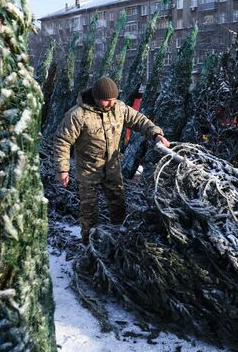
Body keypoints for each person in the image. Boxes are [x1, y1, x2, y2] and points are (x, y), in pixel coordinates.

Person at [54, 76, 170, 244]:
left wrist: (156, 134)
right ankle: (89, 243)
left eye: (113, 100)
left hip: (113, 168)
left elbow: (139, 120)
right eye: (106, 101)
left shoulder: (119, 108)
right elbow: (62, 141)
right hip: (88, 171)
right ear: (96, 97)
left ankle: (119, 239)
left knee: (118, 205)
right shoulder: (77, 115)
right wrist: (62, 169)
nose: (110, 104)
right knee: (89, 211)